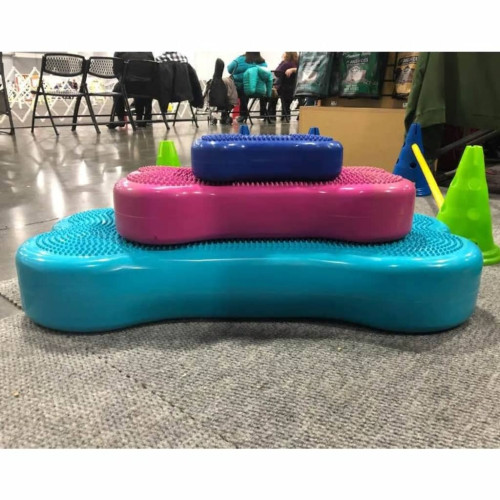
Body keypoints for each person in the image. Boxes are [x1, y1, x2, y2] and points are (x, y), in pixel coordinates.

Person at [108, 51, 154, 129]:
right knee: (145, 85)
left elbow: (116, 71)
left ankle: (121, 119)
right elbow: (153, 70)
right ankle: (145, 118)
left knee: (117, 91)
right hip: (146, 87)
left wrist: (123, 80)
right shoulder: (148, 53)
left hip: (128, 85)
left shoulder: (119, 52)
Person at [227, 52, 267, 122]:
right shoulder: (262, 61)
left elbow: (229, 69)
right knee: (247, 87)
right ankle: (262, 113)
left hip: (243, 89)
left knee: (233, 89)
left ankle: (229, 114)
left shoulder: (240, 59)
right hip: (259, 90)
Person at [267, 52, 299, 122]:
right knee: (286, 103)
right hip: (293, 89)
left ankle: (271, 115)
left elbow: (277, 72)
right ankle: (286, 115)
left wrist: (282, 62)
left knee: (273, 95)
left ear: (287, 54)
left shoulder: (285, 63)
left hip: (282, 88)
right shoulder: (297, 63)